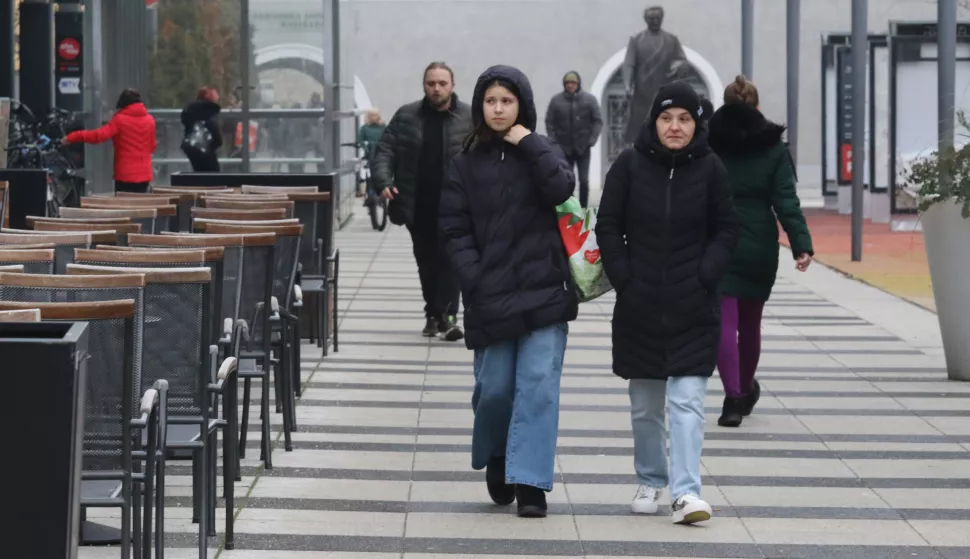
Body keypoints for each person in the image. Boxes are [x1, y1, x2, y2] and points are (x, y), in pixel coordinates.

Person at [595, 82, 738, 524]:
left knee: (688, 400)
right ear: (653, 121)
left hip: (693, 306)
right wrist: (625, 278)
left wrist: (705, 275)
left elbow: (726, 229)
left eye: (685, 119)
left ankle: (686, 493)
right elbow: (607, 225)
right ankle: (651, 479)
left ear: (697, 125)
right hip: (639, 306)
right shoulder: (629, 165)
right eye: (666, 118)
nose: (675, 127)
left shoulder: (711, 168)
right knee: (645, 405)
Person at [439, 65, 578, 519]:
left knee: (538, 386)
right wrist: (474, 277)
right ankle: (500, 454)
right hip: (491, 294)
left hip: (544, 292)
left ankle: (531, 483)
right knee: (495, 389)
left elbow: (562, 187)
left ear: (522, 106)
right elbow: (454, 229)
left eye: (507, 101)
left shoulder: (542, 151)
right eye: (491, 101)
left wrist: (529, 142)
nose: (498, 109)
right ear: (481, 106)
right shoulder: (464, 163)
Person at [708, 75, 813, 427]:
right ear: (756, 107)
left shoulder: (708, 142)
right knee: (750, 324)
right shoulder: (774, 148)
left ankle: (733, 396)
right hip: (759, 245)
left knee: (724, 320)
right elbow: (786, 200)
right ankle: (743, 390)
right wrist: (801, 244)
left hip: (717, 239)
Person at [373, 61, 473, 341]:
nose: (437, 88)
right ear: (424, 85)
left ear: (452, 85)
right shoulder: (407, 116)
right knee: (427, 262)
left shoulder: (469, 117)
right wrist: (383, 181)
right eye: (431, 83)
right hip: (418, 205)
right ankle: (433, 313)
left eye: (442, 83)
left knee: (452, 260)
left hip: (457, 206)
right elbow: (385, 149)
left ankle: (450, 317)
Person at [64, 88, 156, 193]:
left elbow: (98, 136)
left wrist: (72, 137)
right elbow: (152, 146)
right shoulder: (150, 120)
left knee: (124, 207)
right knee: (141, 206)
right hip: (144, 174)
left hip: (125, 175)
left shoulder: (120, 120)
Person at [622, 5, 691, 145]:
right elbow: (629, 64)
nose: (655, 21)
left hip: (664, 93)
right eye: (652, 19)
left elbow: (684, 62)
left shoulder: (671, 40)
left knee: (664, 128)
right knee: (638, 130)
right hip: (642, 93)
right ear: (646, 20)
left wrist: (680, 65)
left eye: (658, 18)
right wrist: (627, 85)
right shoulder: (636, 40)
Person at [544, 71, 603, 207]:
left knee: (584, 180)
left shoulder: (589, 100)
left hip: (583, 148)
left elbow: (598, 121)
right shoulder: (556, 101)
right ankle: (570, 206)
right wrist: (554, 142)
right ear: (565, 85)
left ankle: (583, 207)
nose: (571, 85)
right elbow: (550, 122)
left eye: (573, 83)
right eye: (568, 83)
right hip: (563, 148)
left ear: (578, 84)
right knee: (566, 179)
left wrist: (591, 140)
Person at [181, 86, 223, 172]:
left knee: (199, 174)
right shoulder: (210, 111)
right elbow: (216, 136)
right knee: (213, 175)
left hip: (191, 147)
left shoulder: (190, 110)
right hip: (206, 148)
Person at [358, 109, 386, 198]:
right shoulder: (364, 128)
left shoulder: (383, 127)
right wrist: (366, 147)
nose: (373, 117)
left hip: (381, 153)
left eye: (375, 115)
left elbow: (388, 138)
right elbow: (361, 140)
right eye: (371, 115)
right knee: (370, 172)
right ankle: (370, 191)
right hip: (370, 154)